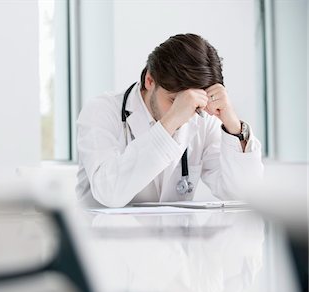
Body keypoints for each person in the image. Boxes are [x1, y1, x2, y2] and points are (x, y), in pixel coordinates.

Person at [76, 33, 263, 208]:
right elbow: (109, 192)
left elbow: (244, 196)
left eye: (193, 104)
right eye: (174, 101)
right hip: (103, 238)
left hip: (173, 240)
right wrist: (170, 122)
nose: (187, 113)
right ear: (150, 80)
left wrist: (234, 126)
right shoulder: (101, 111)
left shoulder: (202, 118)